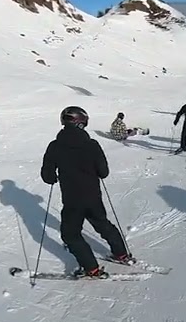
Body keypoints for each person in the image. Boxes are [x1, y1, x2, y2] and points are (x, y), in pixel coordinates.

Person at [41, 106, 134, 277]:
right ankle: (121, 254)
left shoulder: (55, 146)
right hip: (93, 197)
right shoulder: (92, 144)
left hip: (72, 200)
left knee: (70, 235)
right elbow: (104, 172)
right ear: (82, 123)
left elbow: (47, 176)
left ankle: (91, 267)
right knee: (103, 224)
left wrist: (54, 176)